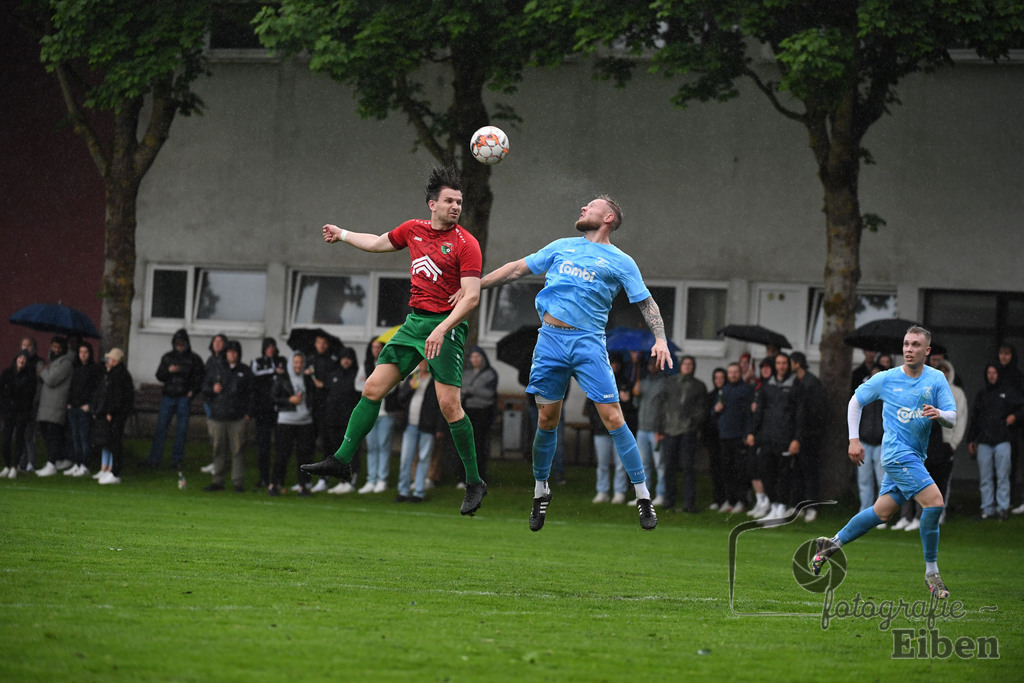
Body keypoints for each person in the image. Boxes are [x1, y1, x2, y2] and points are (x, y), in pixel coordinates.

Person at [477, 195, 673, 531]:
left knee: (613, 418)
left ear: (608, 218)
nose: (583, 208)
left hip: (588, 343)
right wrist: (476, 286)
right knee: (547, 420)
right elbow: (516, 268)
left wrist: (661, 338)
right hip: (550, 341)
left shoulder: (621, 261)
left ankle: (643, 496)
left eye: (591, 206)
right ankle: (541, 490)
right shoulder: (562, 246)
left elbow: (646, 302)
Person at [303, 166, 488, 516]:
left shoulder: (467, 244)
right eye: (449, 201)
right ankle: (342, 460)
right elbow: (377, 243)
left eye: (459, 202)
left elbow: (472, 297)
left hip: (446, 327)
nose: (455, 207)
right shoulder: (413, 229)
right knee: (372, 388)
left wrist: (442, 328)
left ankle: (475, 481)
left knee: (450, 407)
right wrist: (342, 234)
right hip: (414, 323)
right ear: (432, 204)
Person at [812, 326, 958, 600]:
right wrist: (853, 440)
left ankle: (831, 544)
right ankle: (932, 573)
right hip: (895, 454)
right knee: (935, 502)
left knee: (881, 513)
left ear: (927, 350)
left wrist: (939, 413)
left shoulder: (936, 378)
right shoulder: (887, 378)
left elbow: (952, 417)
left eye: (915, 345)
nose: (909, 349)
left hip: (915, 456)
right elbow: (855, 401)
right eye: (906, 344)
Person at [746, 353, 799, 520]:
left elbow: (799, 414)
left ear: (788, 365)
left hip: (785, 437)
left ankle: (782, 507)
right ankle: (774, 505)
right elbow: (759, 411)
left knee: (783, 474)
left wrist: (796, 438)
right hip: (767, 436)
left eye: (784, 363)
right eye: (778, 363)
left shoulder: (796, 385)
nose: (781, 366)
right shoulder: (767, 386)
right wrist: (752, 432)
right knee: (766, 472)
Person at [967, 364, 1023, 521]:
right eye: (989, 373)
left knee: (1003, 476)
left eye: (994, 373)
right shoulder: (982, 394)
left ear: (999, 374)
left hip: (1003, 440)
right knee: (986, 477)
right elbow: (975, 418)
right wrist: (971, 439)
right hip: (984, 441)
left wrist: (1014, 416)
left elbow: (1021, 407)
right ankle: (987, 508)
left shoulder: (1008, 392)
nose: (991, 376)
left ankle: (1002, 507)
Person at [655, 355, 706, 512]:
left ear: (693, 367)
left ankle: (689, 503)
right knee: (669, 466)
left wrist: (693, 423)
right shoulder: (670, 383)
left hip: (688, 431)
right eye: (685, 364)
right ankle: (669, 500)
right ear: (681, 365)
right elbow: (661, 405)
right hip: (670, 430)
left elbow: (701, 409)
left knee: (688, 467)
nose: (687, 366)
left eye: (690, 364)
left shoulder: (699, 386)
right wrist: (659, 428)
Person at [201, 340, 254, 492]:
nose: (233, 355)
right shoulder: (216, 369)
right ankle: (218, 481)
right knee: (218, 449)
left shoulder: (245, 371)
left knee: (238, 449)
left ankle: (238, 481)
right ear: (226, 353)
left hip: (238, 417)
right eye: (230, 352)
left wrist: (248, 413)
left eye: (235, 352)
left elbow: (251, 393)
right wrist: (212, 390)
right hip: (218, 416)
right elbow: (204, 388)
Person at [149, 328, 205, 469]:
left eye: (182, 343)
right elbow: (159, 375)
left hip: (183, 398)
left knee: (181, 430)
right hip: (168, 396)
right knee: (161, 428)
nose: (179, 346)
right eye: (177, 343)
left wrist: (193, 392)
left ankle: (176, 460)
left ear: (186, 343)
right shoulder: (167, 357)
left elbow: (200, 378)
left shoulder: (194, 359)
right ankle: (155, 458)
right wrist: (169, 371)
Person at [395, 361, 444, 502]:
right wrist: (409, 389)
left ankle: (419, 492)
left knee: (424, 458)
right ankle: (403, 491)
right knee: (406, 459)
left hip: (428, 426)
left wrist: (439, 427)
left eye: (427, 362)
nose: (424, 364)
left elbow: (441, 405)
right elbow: (400, 399)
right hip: (410, 424)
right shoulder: (413, 377)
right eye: (422, 362)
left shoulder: (436, 380)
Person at [270, 351, 316, 497]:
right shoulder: (282, 378)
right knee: (282, 454)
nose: (298, 365)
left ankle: (302, 486)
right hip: (286, 420)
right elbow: (273, 397)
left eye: (301, 362)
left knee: (304, 456)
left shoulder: (307, 379)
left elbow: (313, 396)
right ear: (291, 363)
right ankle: (274, 484)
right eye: (296, 362)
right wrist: (289, 400)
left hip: (305, 421)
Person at [356, 339, 398, 495]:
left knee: (383, 445)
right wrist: (375, 386)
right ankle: (371, 479)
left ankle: (382, 479)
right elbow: (358, 384)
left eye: (379, 347)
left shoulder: (390, 365)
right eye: (373, 347)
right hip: (371, 413)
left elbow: (392, 387)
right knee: (371, 446)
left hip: (386, 413)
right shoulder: (366, 365)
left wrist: (375, 386)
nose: (376, 350)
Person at [790, 351, 826, 522]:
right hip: (799, 433)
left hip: (810, 435)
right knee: (797, 471)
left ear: (798, 363)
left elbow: (815, 411)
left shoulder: (811, 383)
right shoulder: (797, 382)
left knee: (810, 471)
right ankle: (798, 505)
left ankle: (811, 507)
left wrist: (804, 433)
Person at [715, 363, 756, 514]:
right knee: (727, 470)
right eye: (730, 372)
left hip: (739, 436)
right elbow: (716, 413)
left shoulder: (746, 389)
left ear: (740, 373)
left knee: (740, 470)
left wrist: (747, 433)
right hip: (725, 435)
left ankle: (742, 500)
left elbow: (749, 414)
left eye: (735, 372)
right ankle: (730, 500)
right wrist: (716, 409)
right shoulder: (724, 389)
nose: (733, 375)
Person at [91, 348, 135, 485]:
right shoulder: (119, 373)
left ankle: (115, 472)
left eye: (110, 358)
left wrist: (111, 411)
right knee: (112, 442)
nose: (108, 360)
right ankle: (112, 471)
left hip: (117, 414)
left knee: (115, 442)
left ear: (115, 360)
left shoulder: (118, 375)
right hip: (118, 412)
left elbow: (116, 397)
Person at [632, 355, 670, 506]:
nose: (652, 366)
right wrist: (636, 393)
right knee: (643, 465)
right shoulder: (643, 382)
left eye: (655, 363)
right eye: (650, 363)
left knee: (660, 465)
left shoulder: (665, 383)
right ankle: (643, 496)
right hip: (642, 428)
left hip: (656, 430)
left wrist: (662, 429)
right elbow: (636, 404)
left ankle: (661, 494)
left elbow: (666, 407)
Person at [35, 336, 74, 477]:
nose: (56, 350)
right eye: (54, 347)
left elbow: (51, 379)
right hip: (46, 405)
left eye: (58, 347)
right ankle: (55, 460)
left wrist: (42, 370)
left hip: (56, 405)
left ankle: (52, 463)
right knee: (47, 433)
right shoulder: (52, 361)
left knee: (54, 435)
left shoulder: (66, 363)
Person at [324, 347, 361, 494]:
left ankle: (352, 479)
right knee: (337, 450)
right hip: (334, 420)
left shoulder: (356, 375)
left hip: (350, 421)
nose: (346, 361)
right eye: (344, 358)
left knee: (351, 450)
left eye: (349, 358)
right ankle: (342, 480)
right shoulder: (334, 375)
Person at [251, 337, 287, 489]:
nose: (271, 349)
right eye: (268, 346)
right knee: (263, 447)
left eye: (273, 346)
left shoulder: (282, 361)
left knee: (281, 446)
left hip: (279, 410)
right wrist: (272, 371)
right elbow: (255, 375)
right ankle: (263, 478)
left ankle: (278, 478)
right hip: (263, 410)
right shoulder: (258, 362)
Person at [65, 342, 103, 477]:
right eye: (81, 352)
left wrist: (90, 405)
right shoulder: (76, 369)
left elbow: (96, 389)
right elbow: (72, 387)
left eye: (86, 352)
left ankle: (85, 465)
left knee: (84, 438)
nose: (83, 355)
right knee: (75, 437)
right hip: (74, 407)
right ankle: (77, 463)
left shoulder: (94, 369)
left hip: (84, 408)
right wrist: (69, 403)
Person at [460, 346, 498, 482]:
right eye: (473, 357)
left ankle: (480, 475)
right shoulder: (466, 373)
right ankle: (463, 476)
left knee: (480, 445)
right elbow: (460, 389)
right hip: (467, 411)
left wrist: (469, 390)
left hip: (483, 413)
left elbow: (489, 394)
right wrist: (474, 390)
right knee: (466, 444)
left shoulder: (490, 374)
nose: (475, 359)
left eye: (478, 356)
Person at [306, 332, 338, 493]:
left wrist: (323, 385)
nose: (321, 345)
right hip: (311, 408)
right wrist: (306, 376)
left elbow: (334, 384)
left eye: (324, 343)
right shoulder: (310, 360)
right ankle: (305, 479)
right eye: (319, 342)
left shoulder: (332, 361)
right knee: (308, 444)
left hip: (326, 408)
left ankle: (324, 478)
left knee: (326, 444)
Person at [1, 350, 38, 480]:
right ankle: (7, 465)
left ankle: (14, 466)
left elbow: (30, 394)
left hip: (22, 411)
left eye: (24, 359)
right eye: (20, 358)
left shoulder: (30, 375)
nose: (21, 360)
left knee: (19, 438)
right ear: (16, 358)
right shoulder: (7, 373)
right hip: (9, 411)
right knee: (6, 438)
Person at [200, 333, 229, 475]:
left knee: (221, 435)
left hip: (221, 402)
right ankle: (215, 461)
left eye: (220, 341)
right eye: (215, 341)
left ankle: (221, 463)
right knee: (213, 435)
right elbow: (204, 381)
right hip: (210, 401)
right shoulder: (210, 360)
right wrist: (210, 390)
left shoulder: (226, 361)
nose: (217, 344)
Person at [703, 367, 727, 510]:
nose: (719, 380)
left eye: (721, 378)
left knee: (726, 469)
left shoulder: (728, 394)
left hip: (726, 437)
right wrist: (714, 411)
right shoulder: (711, 396)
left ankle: (728, 499)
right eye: (716, 378)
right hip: (713, 437)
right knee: (715, 469)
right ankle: (718, 499)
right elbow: (706, 417)